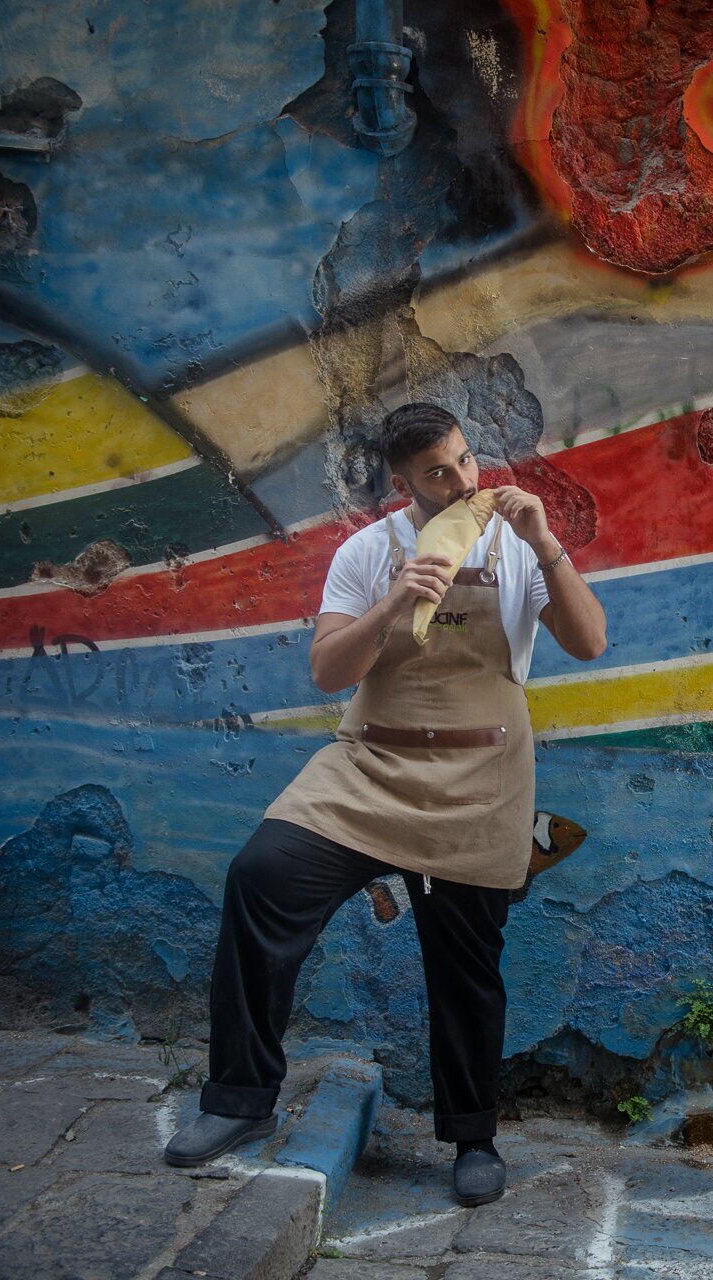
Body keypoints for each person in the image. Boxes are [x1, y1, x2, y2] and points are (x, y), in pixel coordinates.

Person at [164, 402, 608, 1207]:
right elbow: (330, 673)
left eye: (467, 462)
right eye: (439, 472)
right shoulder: (367, 553)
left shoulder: (515, 545)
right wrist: (394, 600)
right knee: (260, 878)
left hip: (481, 778)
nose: (464, 481)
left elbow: (590, 642)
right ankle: (237, 1099)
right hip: (369, 769)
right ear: (402, 484)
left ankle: (473, 1136)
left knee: (466, 966)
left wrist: (548, 545)